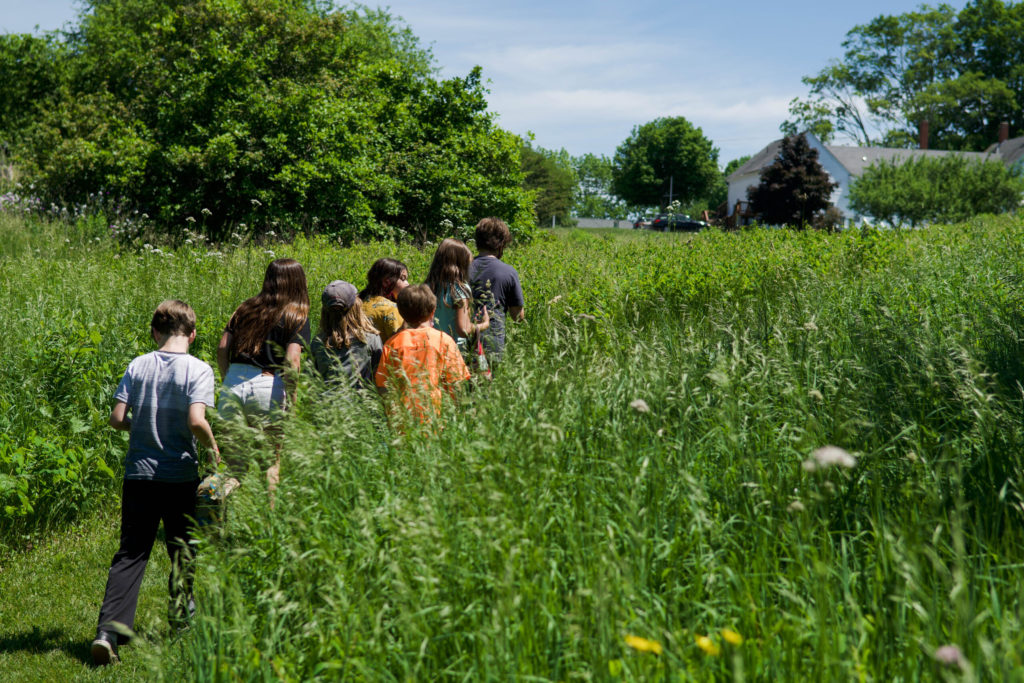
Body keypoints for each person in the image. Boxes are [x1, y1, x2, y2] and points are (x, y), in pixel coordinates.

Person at [92, 300, 219, 666]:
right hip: (179, 476)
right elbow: (196, 420)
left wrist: (143, 426)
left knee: (131, 553)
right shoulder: (198, 369)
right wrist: (212, 445)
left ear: (154, 331)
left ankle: (108, 633)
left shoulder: (139, 364)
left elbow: (117, 418)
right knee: (182, 550)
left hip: (139, 475)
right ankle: (181, 618)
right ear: (192, 334)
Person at [217, 258, 311, 423]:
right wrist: (291, 402)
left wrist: (228, 379)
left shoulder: (244, 308)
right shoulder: (297, 316)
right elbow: (292, 360)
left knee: (233, 448)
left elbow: (222, 348)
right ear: (299, 283)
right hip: (267, 387)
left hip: (233, 381)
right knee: (270, 448)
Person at [375, 284, 471, 425]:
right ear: (433, 312)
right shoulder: (443, 340)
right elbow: (457, 383)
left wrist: (391, 416)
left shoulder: (393, 343)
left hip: (403, 422)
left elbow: (383, 386)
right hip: (438, 420)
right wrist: (459, 414)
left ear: (401, 313)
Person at [469, 217, 525, 364]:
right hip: (492, 342)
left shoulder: (463, 267)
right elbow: (517, 316)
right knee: (488, 381)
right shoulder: (509, 272)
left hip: (463, 337)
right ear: (501, 245)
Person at [311, 280, 383, 390]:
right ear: (356, 307)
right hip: (360, 404)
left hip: (324, 405)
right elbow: (380, 376)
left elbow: (311, 380)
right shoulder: (370, 339)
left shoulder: (318, 342)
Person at [425, 238, 489, 350]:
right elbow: (463, 330)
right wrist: (484, 324)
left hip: (429, 346)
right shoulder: (460, 290)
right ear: (461, 265)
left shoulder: (427, 287)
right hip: (452, 350)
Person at [359, 258, 409, 342]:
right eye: (403, 279)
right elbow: (399, 343)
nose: (407, 284)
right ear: (386, 282)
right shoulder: (391, 309)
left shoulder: (358, 301)